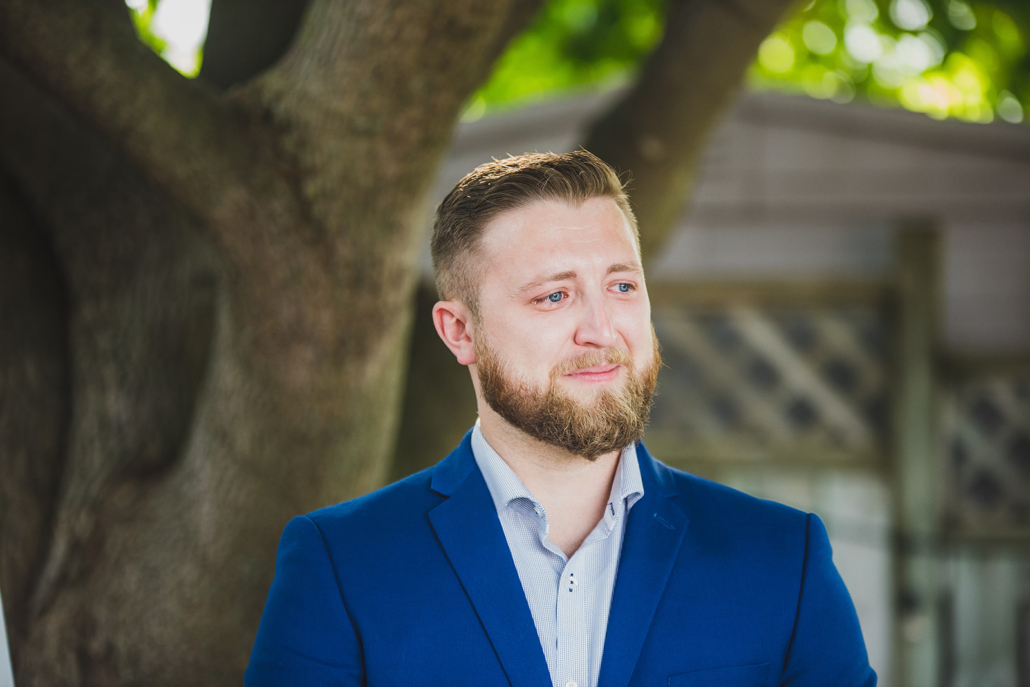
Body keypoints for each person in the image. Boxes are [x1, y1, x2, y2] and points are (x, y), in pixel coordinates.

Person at [245, 151, 877, 687]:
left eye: (622, 287)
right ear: (459, 331)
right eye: (554, 295)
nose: (601, 330)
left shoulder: (781, 561)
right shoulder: (341, 565)